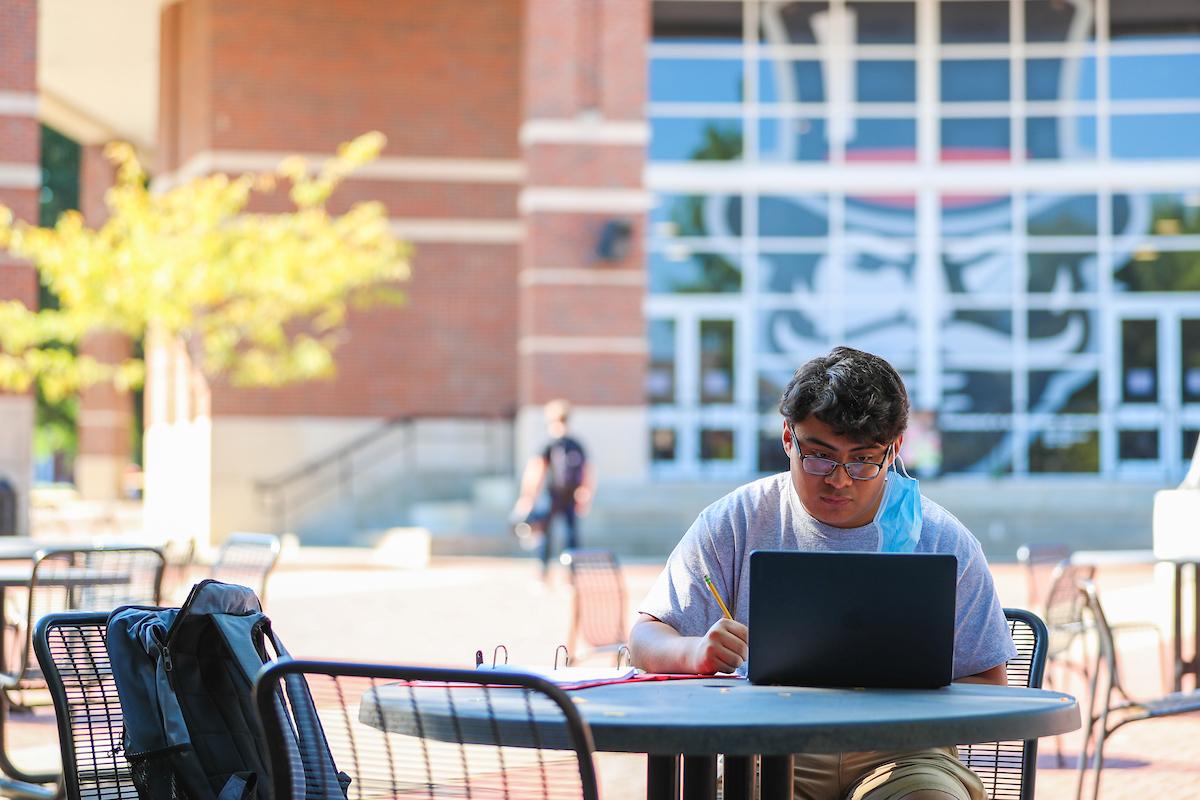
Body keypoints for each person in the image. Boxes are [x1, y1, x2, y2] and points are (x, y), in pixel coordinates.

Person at [629, 346, 1015, 800]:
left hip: (906, 754)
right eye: (820, 456)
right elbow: (644, 639)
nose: (840, 479)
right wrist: (695, 653)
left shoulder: (942, 540)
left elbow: (989, 683)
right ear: (789, 439)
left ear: (894, 450)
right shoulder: (737, 521)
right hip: (765, 748)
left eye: (862, 459)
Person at [514, 399, 595, 579]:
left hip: (569, 496)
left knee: (572, 536)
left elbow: (587, 471)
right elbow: (536, 470)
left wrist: (585, 493)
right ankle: (543, 573)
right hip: (550, 495)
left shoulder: (575, 445)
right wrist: (528, 496)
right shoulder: (549, 445)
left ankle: (572, 575)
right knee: (544, 535)